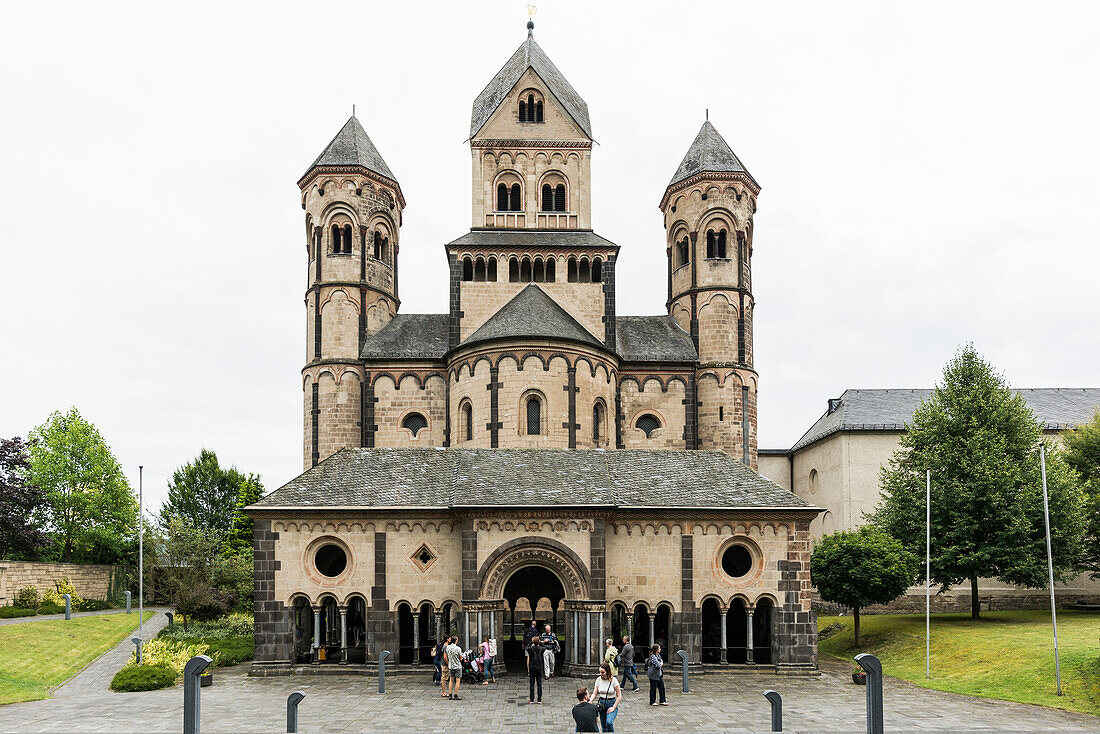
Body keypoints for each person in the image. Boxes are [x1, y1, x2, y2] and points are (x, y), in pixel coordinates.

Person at [589, 662, 623, 731]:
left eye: (603, 672)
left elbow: (619, 696)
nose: (601, 674)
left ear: (607, 671)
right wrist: (590, 701)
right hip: (602, 704)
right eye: (600, 672)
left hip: (611, 703)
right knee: (603, 725)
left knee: (609, 722)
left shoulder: (614, 680)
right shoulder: (598, 679)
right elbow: (595, 693)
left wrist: (614, 707)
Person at [525, 634, 544, 704]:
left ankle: (532, 699)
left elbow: (526, 647)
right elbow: (544, 647)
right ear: (538, 642)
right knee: (539, 684)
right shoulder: (541, 649)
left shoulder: (530, 649)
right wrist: (539, 642)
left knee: (532, 684)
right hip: (539, 668)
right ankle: (539, 699)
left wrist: (531, 642)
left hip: (532, 668)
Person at [444, 635, 464, 700]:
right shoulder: (458, 648)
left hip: (451, 666)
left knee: (451, 680)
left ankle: (450, 694)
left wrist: (448, 663)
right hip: (457, 666)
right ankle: (455, 694)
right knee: (457, 681)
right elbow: (460, 658)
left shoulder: (447, 648)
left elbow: (445, 656)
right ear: (456, 641)